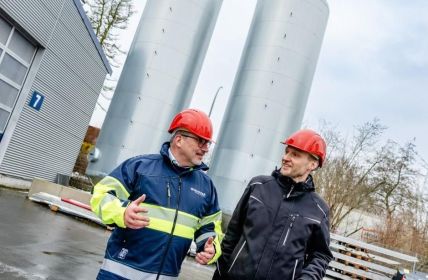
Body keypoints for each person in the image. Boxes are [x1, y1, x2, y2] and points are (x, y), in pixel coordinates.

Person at [91, 109, 223, 280]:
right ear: (179, 140)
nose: (205, 148)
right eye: (200, 141)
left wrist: (210, 249)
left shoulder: (206, 186)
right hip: (119, 274)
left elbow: (211, 227)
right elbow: (101, 195)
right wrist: (122, 212)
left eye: (208, 143)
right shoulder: (140, 167)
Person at [213, 129, 333, 280]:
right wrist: (220, 273)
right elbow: (232, 235)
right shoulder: (258, 186)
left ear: (313, 164)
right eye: (287, 151)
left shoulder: (318, 209)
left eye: (295, 154)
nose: (286, 158)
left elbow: (321, 255)